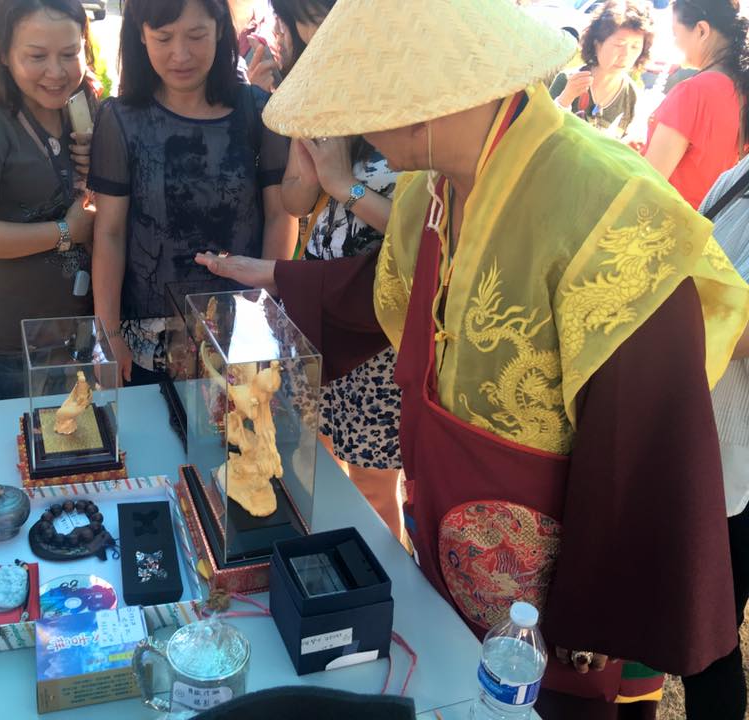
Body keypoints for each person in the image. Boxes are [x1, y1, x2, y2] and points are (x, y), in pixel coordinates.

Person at [195, 0, 749, 717]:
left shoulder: (610, 206)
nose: (357, 130)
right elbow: (393, 288)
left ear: (425, 100)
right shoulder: (434, 183)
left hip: (547, 583)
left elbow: (641, 434)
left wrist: (594, 613)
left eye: (365, 107)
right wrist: (276, 277)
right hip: (446, 530)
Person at [89, 0, 296, 385]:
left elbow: (280, 215)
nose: (180, 55)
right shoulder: (120, 119)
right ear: (141, 35)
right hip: (147, 339)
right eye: (163, 38)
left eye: (196, 35)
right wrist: (109, 333)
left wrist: (263, 310)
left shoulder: (256, 111)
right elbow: (110, 232)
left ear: (219, 29)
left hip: (240, 331)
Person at [272, 0, 404, 541]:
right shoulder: (315, 84)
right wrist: (311, 174)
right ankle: (323, 564)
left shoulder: (409, 90)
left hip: (380, 319)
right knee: (314, 458)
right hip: (317, 302)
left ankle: (388, 579)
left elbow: (427, 232)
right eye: (303, 19)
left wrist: (343, 185)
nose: (317, 29)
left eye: (324, 11)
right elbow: (293, 201)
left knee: (374, 481)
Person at [0, 0, 97, 401]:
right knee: (20, 436)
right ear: (4, 52)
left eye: (69, 54)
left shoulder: (80, 102)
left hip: (73, 323)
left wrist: (99, 161)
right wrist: (67, 231)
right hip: (6, 337)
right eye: (37, 57)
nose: (57, 72)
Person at [679, 158, 749, 719]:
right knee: (704, 632)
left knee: (711, 642)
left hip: (739, 460)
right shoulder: (739, 177)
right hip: (714, 446)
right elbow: (689, 255)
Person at [643, 0, 746, 209]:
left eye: (675, 33)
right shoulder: (741, 89)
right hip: (706, 224)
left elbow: (648, 184)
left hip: (664, 219)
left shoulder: (694, 91)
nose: (674, 42)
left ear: (701, 30)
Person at [548, 0, 652, 139]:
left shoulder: (633, 97)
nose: (626, 55)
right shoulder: (568, 80)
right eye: (619, 44)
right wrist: (564, 100)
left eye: (635, 47)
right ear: (597, 43)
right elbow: (541, 129)